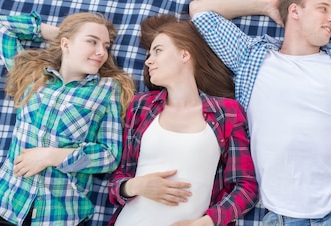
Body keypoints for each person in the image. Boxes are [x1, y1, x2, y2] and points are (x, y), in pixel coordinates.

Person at [189, 0, 331, 226]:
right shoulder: (252, 57)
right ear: (295, 11)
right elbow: (199, 11)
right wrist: (266, 6)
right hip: (281, 216)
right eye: (323, 9)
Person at [0, 11, 136, 226]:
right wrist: (60, 33)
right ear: (65, 44)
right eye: (92, 41)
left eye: (106, 46)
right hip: (7, 207)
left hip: (61, 216)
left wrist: (52, 156)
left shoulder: (107, 90)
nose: (101, 52)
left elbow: (109, 156)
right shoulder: (31, 74)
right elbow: (3, 26)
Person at [108, 14, 258, 226]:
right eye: (149, 54)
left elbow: (246, 187)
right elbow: (117, 180)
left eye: (158, 50)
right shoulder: (141, 106)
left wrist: (204, 223)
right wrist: (135, 186)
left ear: (185, 54)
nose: (148, 60)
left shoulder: (226, 113)